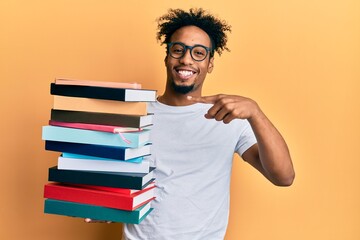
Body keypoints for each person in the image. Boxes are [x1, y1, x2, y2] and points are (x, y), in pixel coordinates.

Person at [89, 8, 295, 240]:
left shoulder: (228, 116)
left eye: (198, 53)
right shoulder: (135, 115)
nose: (186, 59)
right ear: (166, 57)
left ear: (210, 63)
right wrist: (105, 204)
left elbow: (284, 177)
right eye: (178, 50)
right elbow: (110, 184)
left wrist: (256, 113)